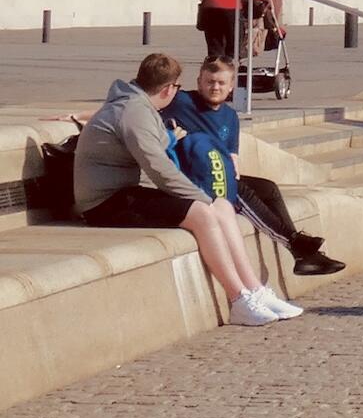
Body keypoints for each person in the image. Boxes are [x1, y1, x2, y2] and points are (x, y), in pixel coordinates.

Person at [71, 53, 299, 325]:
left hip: (123, 192)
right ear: (169, 89)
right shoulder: (133, 111)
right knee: (204, 213)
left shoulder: (139, 106)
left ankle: (256, 290)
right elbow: (159, 169)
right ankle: (239, 300)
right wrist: (201, 199)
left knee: (223, 205)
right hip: (103, 204)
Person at [167, 58, 346, 278]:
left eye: (221, 83)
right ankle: (296, 244)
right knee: (241, 191)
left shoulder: (230, 117)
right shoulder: (182, 102)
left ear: (232, 86)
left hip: (222, 175)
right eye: (209, 82)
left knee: (267, 188)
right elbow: (152, 99)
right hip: (195, 179)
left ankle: (301, 254)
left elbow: (233, 158)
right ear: (199, 81)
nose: (215, 88)